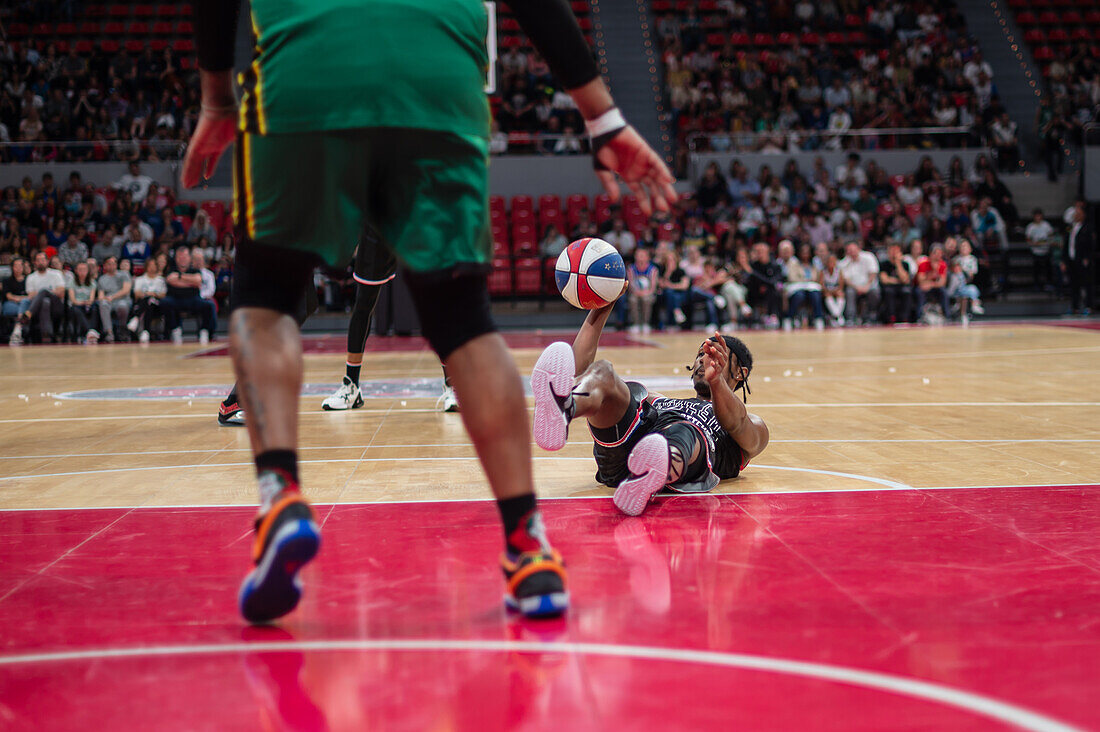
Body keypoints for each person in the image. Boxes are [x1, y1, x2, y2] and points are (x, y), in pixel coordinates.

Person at [183, 0, 676, 622]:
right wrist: (601, 117)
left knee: (267, 297)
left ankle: (279, 494)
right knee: (465, 323)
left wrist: (216, 99)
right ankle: (527, 545)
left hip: (305, 70)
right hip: (437, 78)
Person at [530, 301, 768, 516]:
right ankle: (563, 407)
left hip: (681, 458)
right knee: (604, 372)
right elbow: (580, 372)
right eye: (700, 355)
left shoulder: (754, 426)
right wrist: (602, 306)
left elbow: (736, 422)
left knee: (685, 429)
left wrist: (717, 382)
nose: (703, 361)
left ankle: (652, 471)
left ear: (740, 373)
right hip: (625, 453)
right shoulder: (660, 400)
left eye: (714, 355)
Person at [162, 245, 216, 345]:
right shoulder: (171, 270)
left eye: (185, 256)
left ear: (189, 258)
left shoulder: (195, 270)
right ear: (176, 258)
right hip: (175, 299)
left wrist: (179, 277)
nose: (182, 259)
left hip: (193, 299)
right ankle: (175, 329)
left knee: (209, 305)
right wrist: (190, 281)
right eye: (180, 256)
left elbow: (197, 281)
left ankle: (205, 331)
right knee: (165, 302)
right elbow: (170, 279)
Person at [23, 252, 66, 343]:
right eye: (38, 260)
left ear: (47, 261)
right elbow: (30, 295)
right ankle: (47, 334)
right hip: (39, 308)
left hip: (57, 306)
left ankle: (29, 313)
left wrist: (46, 292)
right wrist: (52, 291)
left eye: (43, 260)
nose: (41, 262)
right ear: (34, 262)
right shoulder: (31, 277)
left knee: (44, 291)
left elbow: (61, 292)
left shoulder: (56, 274)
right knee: (45, 301)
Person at [838, 242, 880, 324]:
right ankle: (850, 318)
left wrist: (867, 286)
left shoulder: (869, 257)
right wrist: (857, 288)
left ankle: (871, 316)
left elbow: (873, 273)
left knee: (875, 291)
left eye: (854, 250)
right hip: (854, 286)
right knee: (849, 292)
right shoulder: (843, 263)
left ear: (859, 249)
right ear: (847, 252)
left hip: (869, 284)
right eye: (849, 251)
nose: (852, 252)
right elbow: (846, 279)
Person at [1064, 201, 1094, 315]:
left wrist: (1087, 257)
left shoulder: (1087, 228)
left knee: (1086, 284)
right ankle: (1074, 307)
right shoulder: (1070, 228)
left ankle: (1088, 306)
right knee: (1074, 285)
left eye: (1078, 212)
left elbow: (1090, 244)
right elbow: (1066, 244)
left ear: (1083, 215)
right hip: (1072, 259)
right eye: (1075, 212)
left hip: (1082, 260)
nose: (1076, 214)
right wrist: (1064, 260)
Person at [129, 256, 167, 343]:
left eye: (154, 265)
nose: (152, 267)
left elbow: (163, 294)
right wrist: (147, 294)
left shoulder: (160, 280)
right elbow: (137, 294)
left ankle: (136, 318)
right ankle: (146, 331)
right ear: (146, 267)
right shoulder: (140, 279)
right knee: (149, 302)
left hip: (157, 306)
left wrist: (154, 294)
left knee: (151, 300)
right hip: (145, 304)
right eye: (150, 265)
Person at [950, 239, 984, 325]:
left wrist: (964, 272)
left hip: (965, 282)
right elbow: (953, 271)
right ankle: (959, 304)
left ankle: (971, 306)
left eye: (966, 246)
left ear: (970, 249)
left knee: (971, 290)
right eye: (962, 246)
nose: (964, 248)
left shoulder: (972, 259)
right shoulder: (956, 259)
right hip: (956, 284)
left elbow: (971, 275)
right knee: (958, 278)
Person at [626, 246, 658, 334]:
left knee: (646, 299)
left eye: (642, 255)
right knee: (633, 300)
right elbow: (631, 286)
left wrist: (645, 292)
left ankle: (645, 324)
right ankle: (636, 324)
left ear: (648, 257)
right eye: (638, 255)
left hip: (648, 293)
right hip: (635, 293)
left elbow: (653, 287)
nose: (640, 257)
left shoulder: (653, 270)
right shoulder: (631, 269)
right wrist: (637, 292)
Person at [878, 243, 913, 323]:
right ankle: (891, 317)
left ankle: (904, 318)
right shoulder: (884, 264)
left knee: (907, 291)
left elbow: (905, 280)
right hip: (889, 287)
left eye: (896, 251)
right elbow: (884, 279)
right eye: (892, 250)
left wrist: (898, 263)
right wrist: (898, 281)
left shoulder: (905, 264)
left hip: (901, 287)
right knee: (889, 292)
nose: (894, 253)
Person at [68, 260, 100, 343]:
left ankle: (91, 332)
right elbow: (73, 300)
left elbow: (91, 299)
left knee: (95, 308)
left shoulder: (92, 282)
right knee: (76, 309)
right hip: (76, 305)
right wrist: (82, 302)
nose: (82, 272)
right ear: (76, 271)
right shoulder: (72, 282)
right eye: (80, 270)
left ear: (88, 271)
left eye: (84, 270)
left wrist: (87, 302)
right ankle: (89, 331)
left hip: (87, 304)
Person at [916, 243, 950, 319]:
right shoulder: (923, 263)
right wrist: (931, 274)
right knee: (919, 292)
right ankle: (919, 316)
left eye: (940, 253)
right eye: (936, 253)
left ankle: (947, 316)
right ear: (930, 254)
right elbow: (920, 281)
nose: (938, 256)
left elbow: (942, 282)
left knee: (944, 292)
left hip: (934, 286)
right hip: (923, 287)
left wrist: (931, 284)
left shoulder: (943, 265)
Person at [2, 257, 32, 344]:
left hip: (25, 304)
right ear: (12, 267)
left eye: (20, 266)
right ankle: (19, 327)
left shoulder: (29, 279)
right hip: (10, 304)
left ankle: (17, 330)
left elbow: (31, 295)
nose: (18, 268)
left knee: (25, 304)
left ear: (23, 267)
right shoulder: (7, 280)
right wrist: (21, 298)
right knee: (24, 307)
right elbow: (9, 296)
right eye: (16, 266)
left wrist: (20, 299)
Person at [819, 252, 846, 326]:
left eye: (833, 261)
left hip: (836, 290)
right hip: (827, 291)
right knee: (828, 295)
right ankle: (838, 316)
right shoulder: (823, 271)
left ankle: (835, 316)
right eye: (830, 261)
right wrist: (829, 291)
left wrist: (834, 291)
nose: (831, 263)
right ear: (826, 262)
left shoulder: (839, 271)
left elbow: (841, 285)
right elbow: (821, 285)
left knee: (840, 294)